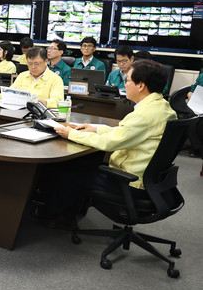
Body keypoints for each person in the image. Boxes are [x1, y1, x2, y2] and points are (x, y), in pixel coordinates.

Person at [45, 60, 176, 225]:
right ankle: (70, 214)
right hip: (151, 182)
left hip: (130, 183)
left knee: (70, 174)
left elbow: (109, 143)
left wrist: (71, 134)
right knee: (84, 164)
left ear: (141, 85)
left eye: (127, 80)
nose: (125, 84)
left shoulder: (143, 115)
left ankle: (55, 218)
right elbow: (126, 133)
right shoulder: (162, 107)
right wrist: (96, 129)